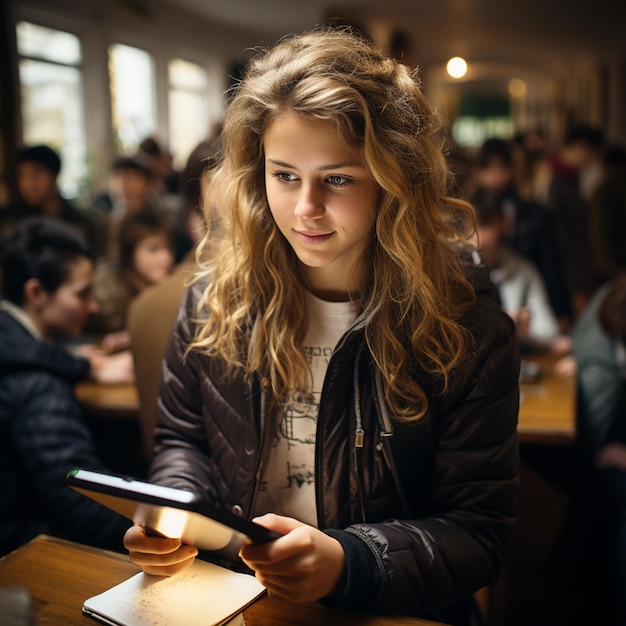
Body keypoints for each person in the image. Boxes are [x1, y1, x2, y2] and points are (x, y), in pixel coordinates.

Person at [123, 28, 520, 624]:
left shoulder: (466, 326)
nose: (305, 207)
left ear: (395, 180)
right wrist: (172, 517)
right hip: (235, 602)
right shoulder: (213, 300)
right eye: (284, 175)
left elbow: (477, 531)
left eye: (337, 179)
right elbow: (185, 442)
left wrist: (349, 562)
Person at [0, 217, 133, 557]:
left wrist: (83, 364)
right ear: (36, 293)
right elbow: (81, 502)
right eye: (82, 293)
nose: (94, 306)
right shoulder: (36, 384)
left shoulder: (19, 347)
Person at [473, 137, 572, 328]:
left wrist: (562, 311)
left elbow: (550, 263)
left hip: (526, 293)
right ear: (478, 172)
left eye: (502, 167)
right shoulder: (467, 212)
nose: (496, 175)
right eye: (489, 168)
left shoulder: (534, 214)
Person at [472, 187, 566, 354]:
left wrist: (524, 332)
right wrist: (501, 324)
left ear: (504, 224)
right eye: (472, 225)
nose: (480, 237)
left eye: (486, 224)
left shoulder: (523, 270)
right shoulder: (454, 272)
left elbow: (549, 331)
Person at [89, 210, 175, 352]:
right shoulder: (107, 297)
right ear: (129, 253)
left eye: (168, 248)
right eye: (153, 249)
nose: (167, 258)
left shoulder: (171, 288)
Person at [0, 145, 106, 258]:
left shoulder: (82, 224)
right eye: (22, 176)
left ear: (54, 175)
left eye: (35, 176)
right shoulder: (9, 221)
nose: (28, 184)